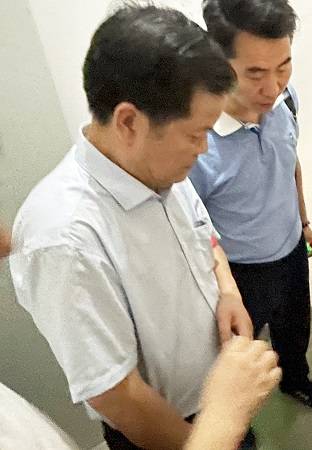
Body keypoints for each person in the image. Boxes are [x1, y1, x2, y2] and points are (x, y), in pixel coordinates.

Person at [9, 5, 270, 449]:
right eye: (195, 134)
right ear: (129, 121)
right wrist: (217, 432)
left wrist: (227, 291)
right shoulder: (64, 239)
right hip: (172, 428)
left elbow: (204, 235)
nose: (204, 149)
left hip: (220, 397)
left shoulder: (159, 166)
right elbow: (118, 397)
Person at [189, 0, 312, 412]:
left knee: (295, 330)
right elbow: (193, 228)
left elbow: (290, 163)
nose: (272, 87)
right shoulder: (197, 143)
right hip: (240, 273)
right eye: (255, 73)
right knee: (237, 355)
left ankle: (297, 381)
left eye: (283, 67)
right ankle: (237, 421)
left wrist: (303, 221)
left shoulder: (285, 101)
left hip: (290, 251)